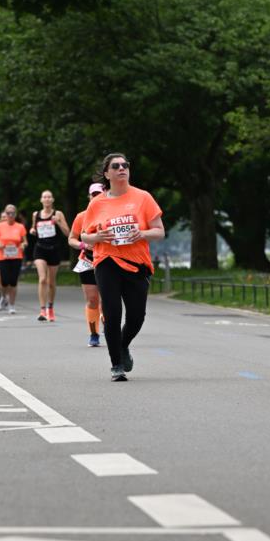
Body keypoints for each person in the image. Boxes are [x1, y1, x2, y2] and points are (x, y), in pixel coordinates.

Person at [80, 152, 164, 381]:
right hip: (106, 261)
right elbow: (84, 235)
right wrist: (98, 237)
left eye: (125, 165)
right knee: (112, 312)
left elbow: (159, 230)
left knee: (137, 317)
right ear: (107, 173)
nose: (121, 168)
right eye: (115, 166)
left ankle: (123, 345)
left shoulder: (143, 197)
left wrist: (142, 233)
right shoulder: (97, 203)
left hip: (137, 263)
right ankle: (116, 364)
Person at [68, 182, 105, 346]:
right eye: (93, 195)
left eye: (99, 194)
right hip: (87, 261)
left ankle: (109, 327)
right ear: (89, 197)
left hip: (107, 260)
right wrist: (83, 245)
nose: (96, 197)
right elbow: (71, 239)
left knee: (108, 300)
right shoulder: (81, 216)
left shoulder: (111, 214)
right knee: (92, 300)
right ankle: (94, 334)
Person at [30, 190, 70, 322]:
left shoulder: (58, 214)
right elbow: (33, 229)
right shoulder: (36, 214)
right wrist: (33, 230)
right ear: (41, 200)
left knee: (51, 282)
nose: (46, 199)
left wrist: (58, 222)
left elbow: (67, 232)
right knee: (42, 279)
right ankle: (42, 310)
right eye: (44, 197)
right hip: (40, 249)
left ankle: (50, 308)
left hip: (54, 250)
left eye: (49, 197)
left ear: (52, 200)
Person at [0, 204, 27, 314]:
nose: (10, 215)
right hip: (3, 256)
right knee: (4, 281)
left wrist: (23, 245)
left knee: (13, 282)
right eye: (8, 213)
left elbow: (25, 241)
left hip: (16, 256)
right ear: (5, 214)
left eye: (12, 213)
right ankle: (3, 297)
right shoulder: (0, 226)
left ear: (15, 214)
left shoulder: (20, 227)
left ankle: (12, 304)